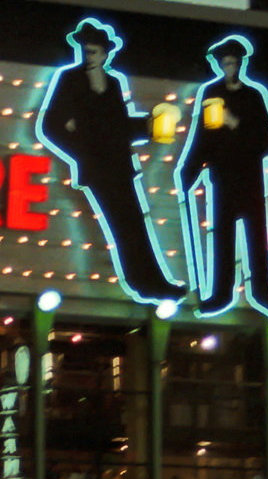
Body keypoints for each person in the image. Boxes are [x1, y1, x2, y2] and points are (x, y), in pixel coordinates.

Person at [37, 19, 183, 304]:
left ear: (105, 53)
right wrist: (81, 151)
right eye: (85, 50)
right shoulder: (70, 79)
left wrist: (149, 126)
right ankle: (143, 284)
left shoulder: (114, 82)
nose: (88, 56)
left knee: (135, 225)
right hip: (96, 168)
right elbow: (50, 125)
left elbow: (118, 126)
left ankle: (154, 282)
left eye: (93, 51)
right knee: (122, 226)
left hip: (120, 165)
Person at [176, 36, 268, 320]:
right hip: (222, 179)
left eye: (233, 63)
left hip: (250, 179)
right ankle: (220, 294)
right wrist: (189, 169)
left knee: (256, 236)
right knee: (222, 238)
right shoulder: (211, 93)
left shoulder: (253, 96)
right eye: (224, 63)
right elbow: (202, 137)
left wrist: (234, 123)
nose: (229, 68)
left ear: (240, 64)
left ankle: (262, 292)